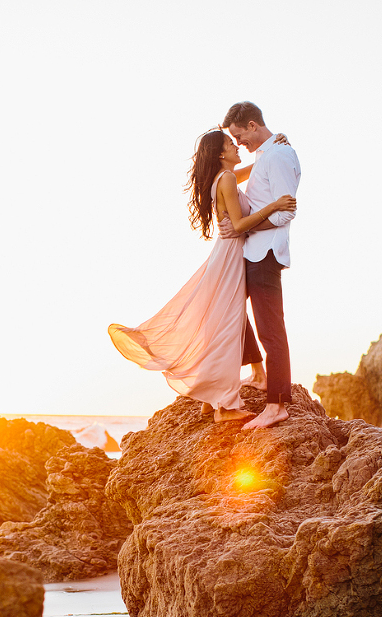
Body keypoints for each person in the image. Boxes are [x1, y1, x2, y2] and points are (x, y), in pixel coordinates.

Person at [109, 130, 296, 422]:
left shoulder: (222, 179)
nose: (237, 147)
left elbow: (251, 173)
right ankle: (224, 405)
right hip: (232, 256)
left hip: (226, 254)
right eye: (231, 144)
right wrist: (275, 205)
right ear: (221, 154)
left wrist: (270, 148)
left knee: (222, 321)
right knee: (227, 325)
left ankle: (213, 397)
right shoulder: (228, 179)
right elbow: (238, 224)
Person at [222, 100, 302, 429]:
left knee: (271, 331)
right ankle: (257, 371)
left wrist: (244, 225)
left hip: (266, 252)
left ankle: (277, 403)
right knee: (227, 310)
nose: (239, 143)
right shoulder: (266, 154)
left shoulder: (279, 155)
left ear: (253, 125)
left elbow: (285, 213)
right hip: (251, 252)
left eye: (240, 136)